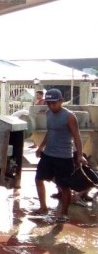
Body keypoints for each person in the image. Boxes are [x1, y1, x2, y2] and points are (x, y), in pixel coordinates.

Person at [34, 88, 84, 222]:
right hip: (49, 154)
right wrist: (41, 147)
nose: (51, 106)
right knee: (39, 179)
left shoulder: (69, 116)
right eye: (48, 103)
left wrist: (79, 155)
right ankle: (43, 207)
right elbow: (50, 132)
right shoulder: (48, 113)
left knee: (64, 186)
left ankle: (64, 214)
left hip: (64, 157)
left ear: (61, 101)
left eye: (54, 103)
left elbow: (77, 137)